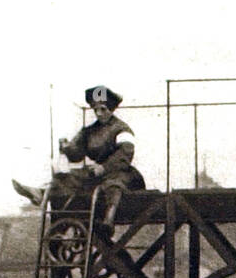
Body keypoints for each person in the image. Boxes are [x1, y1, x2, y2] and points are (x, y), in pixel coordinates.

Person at [13, 86, 145, 230]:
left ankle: (108, 222)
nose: (99, 114)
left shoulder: (121, 128)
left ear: (111, 109)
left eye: (103, 109)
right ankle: (40, 193)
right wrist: (67, 147)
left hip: (122, 173)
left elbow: (124, 154)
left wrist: (104, 167)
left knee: (113, 184)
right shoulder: (89, 131)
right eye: (96, 109)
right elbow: (77, 154)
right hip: (97, 173)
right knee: (66, 178)